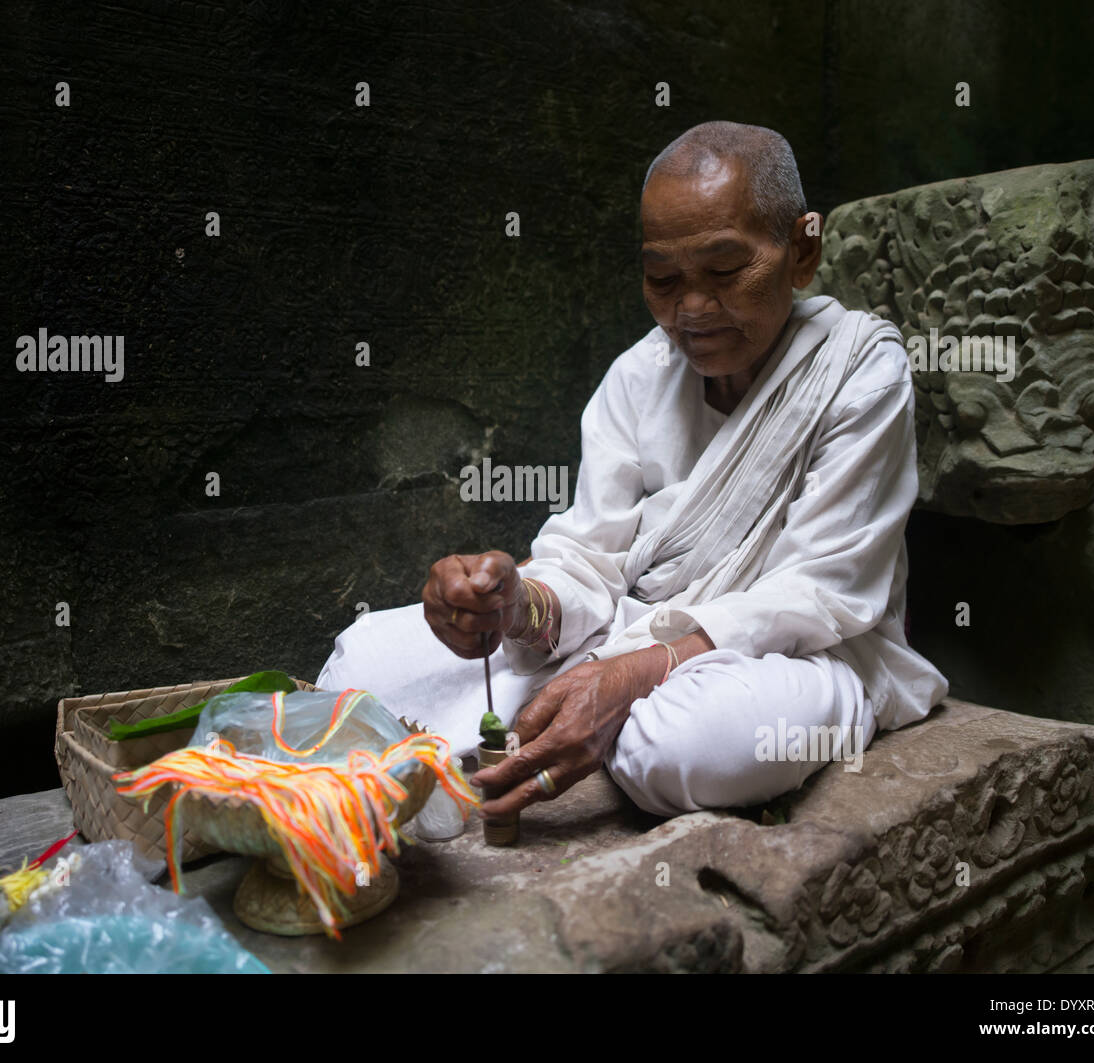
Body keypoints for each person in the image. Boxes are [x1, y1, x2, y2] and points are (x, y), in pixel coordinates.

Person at [318, 120, 948, 820]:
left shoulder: (859, 368)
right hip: (628, 633)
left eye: (725, 270)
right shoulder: (639, 376)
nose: (693, 309)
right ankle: (594, 717)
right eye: (663, 278)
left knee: (681, 747)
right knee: (364, 659)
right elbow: (590, 555)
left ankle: (604, 716)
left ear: (802, 250)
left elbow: (820, 591)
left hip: (807, 656)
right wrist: (517, 604)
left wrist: (631, 673)